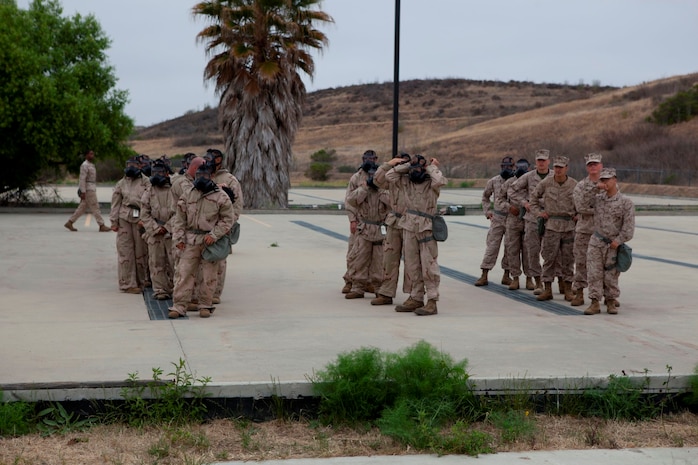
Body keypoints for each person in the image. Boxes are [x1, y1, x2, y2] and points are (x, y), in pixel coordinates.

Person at [168, 164, 234, 319]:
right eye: (198, 176)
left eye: (205, 176)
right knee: (183, 273)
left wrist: (215, 234)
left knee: (208, 275)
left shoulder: (221, 197)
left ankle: (205, 304)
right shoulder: (187, 194)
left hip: (210, 242)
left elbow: (227, 219)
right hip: (190, 240)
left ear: (211, 177)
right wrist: (178, 239)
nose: (201, 179)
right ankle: (179, 306)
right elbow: (179, 219)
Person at [386, 155, 447, 316]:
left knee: (429, 264)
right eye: (413, 168)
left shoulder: (431, 183)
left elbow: (440, 180)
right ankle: (416, 297)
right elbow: (389, 175)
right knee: (412, 264)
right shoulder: (405, 181)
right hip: (408, 225)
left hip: (426, 226)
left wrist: (430, 167)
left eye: (419, 168)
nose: (415, 171)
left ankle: (432, 301)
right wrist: (406, 166)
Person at [584, 168, 635, 315]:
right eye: (603, 179)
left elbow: (629, 227)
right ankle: (594, 302)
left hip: (613, 244)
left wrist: (618, 241)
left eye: (607, 179)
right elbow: (582, 201)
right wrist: (595, 186)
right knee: (594, 273)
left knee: (611, 274)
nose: (605, 182)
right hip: (597, 241)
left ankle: (611, 301)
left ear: (615, 180)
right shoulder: (598, 199)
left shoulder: (625, 202)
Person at [529, 155, 577, 301]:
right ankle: (548, 288)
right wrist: (539, 213)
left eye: (561, 167)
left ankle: (568, 288)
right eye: (556, 167)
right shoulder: (546, 182)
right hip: (551, 226)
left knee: (568, 260)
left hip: (568, 226)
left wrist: (578, 214)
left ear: (566, 168)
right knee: (549, 258)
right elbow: (533, 198)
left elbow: (582, 201)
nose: (558, 170)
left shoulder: (574, 184)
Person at [203, 148, 244, 305]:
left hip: (220, 229)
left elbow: (236, 207)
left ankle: (214, 294)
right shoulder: (202, 176)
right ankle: (203, 293)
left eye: (211, 159)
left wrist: (224, 228)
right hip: (203, 227)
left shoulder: (230, 179)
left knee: (218, 262)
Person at [371, 152, 412, 306]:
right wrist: (389, 164)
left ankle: (413, 295)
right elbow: (377, 180)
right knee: (389, 260)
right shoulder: (392, 178)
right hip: (394, 221)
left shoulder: (414, 178)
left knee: (411, 262)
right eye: (400, 163)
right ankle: (386, 293)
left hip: (410, 222)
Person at [344, 164, 390, 299]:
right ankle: (357, 287)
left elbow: (394, 203)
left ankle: (378, 287)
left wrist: (380, 188)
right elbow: (351, 200)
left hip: (379, 229)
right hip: (364, 229)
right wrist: (364, 187)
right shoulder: (362, 188)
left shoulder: (384, 190)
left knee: (379, 261)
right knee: (360, 259)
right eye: (370, 176)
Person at [511, 149, 551, 295]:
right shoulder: (528, 177)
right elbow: (512, 190)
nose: (541, 163)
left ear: (548, 161)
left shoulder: (555, 176)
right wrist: (523, 202)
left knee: (550, 252)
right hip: (532, 218)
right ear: (535, 162)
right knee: (532, 251)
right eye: (539, 160)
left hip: (550, 218)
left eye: (544, 160)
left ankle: (550, 282)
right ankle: (538, 281)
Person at [109, 157, 150, 293]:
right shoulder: (121, 183)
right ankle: (127, 284)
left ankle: (140, 282)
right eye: (129, 164)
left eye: (134, 164)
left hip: (140, 219)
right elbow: (115, 203)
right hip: (124, 218)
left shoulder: (146, 182)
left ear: (139, 166)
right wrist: (114, 221)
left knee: (141, 252)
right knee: (125, 251)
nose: (131, 167)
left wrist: (146, 219)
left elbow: (151, 203)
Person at [474, 156, 514, 286]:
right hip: (497, 218)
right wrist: (487, 211)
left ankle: (506, 275)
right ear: (500, 167)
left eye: (509, 166)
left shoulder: (517, 182)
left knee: (510, 248)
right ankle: (484, 274)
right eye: (504, 166)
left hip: (512, 219)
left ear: (513, 167)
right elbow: (485, 197)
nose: (506, 168)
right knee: (492, 247)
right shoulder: (494, 181)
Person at [342, 150, 378, 294]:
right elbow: (349, 201)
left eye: (372, 158)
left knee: (374, 256)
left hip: (375, 223)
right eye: (366, 158)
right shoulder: (356, 178)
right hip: (359, 222)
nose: (369, 160)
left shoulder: (379, 176)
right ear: (362, 159)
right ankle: (350, 281)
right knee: (354, 253)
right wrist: (352, 220)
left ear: (376, 159)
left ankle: (368, 282)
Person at [139, 159, 176, 300]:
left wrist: (167, 227)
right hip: (154, 232)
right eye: (154, 172)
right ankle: (160, 289)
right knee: (156, 262)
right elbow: (144, 213)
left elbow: (180, 212)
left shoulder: (174, 189)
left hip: (171, 232)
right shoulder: (149, 191)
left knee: (174, 262)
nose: (157, 175)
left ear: (167, 173)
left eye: (160, 172)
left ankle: (175, 288)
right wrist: (155, 228)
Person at [570, 153, 603, 306]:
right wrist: (600, 209)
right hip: (584, 230)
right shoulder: (580, 186)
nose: (593, 166)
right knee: (581, 262)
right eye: (590, 164)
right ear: (586, 167)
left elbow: (616, 203)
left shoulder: (609, 184)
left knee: (605, 264)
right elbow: (580, 207)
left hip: (603, 231)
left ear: (601, 166)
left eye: (595, 164)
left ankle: (608, 295)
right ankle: (579, 292)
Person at [501, 158, 532, 290]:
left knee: (529, 251)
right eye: (519, 167)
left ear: (529, 168)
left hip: (529, 221)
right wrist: (508, 207)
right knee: (512, 250)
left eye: (524, 167)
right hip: (513, 221)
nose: (522, 169)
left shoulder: (533, 182)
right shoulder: (509, 183)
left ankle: (530, 278)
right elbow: (499, 199)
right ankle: (515, 278)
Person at [64, 150, 111, 232]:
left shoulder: (91, 165)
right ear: (86, 155)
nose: (92, 155)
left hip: (91, 187)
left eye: (93, 154)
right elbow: (82, 179)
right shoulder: (84, 165)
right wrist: (83, 191)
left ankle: (70, 222)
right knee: (95, 206)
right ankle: (101, 225)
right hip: (88, 189)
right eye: (90, 154)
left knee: (82, 207)